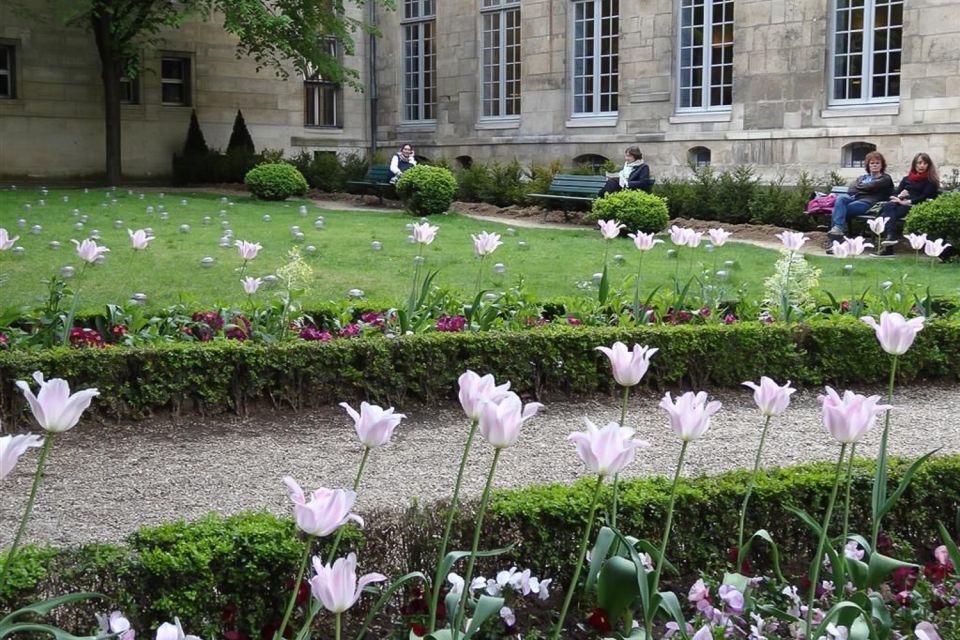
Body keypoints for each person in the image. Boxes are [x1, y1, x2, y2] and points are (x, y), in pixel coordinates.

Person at [874, 153, 940, 256]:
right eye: (919, 163)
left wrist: (906, 202)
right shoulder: (906, 179)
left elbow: (923, 197)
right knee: (889, 206)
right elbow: (895, 194)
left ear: (928, 165)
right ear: (915, 164)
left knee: (884, 215)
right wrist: (900, 196)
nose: (922, 165)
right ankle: (890, 238)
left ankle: (889, 246)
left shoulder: (930, 180)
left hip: (916, 206)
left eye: (925, 163)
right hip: (900, 205)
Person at [827, 151, 894, 236]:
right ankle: (838, 230)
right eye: (872, 163)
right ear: (868, 165)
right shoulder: (862, 177)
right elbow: (851, 190)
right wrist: (865, 188)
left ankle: (836, 237)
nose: (875, 165)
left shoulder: (885, 178)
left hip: (869, 204)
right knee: (841, 199)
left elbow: (872, 186)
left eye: (877, 163)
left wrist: (861, 187)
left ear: (882, 165)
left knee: (837, 211)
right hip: (856, 199)